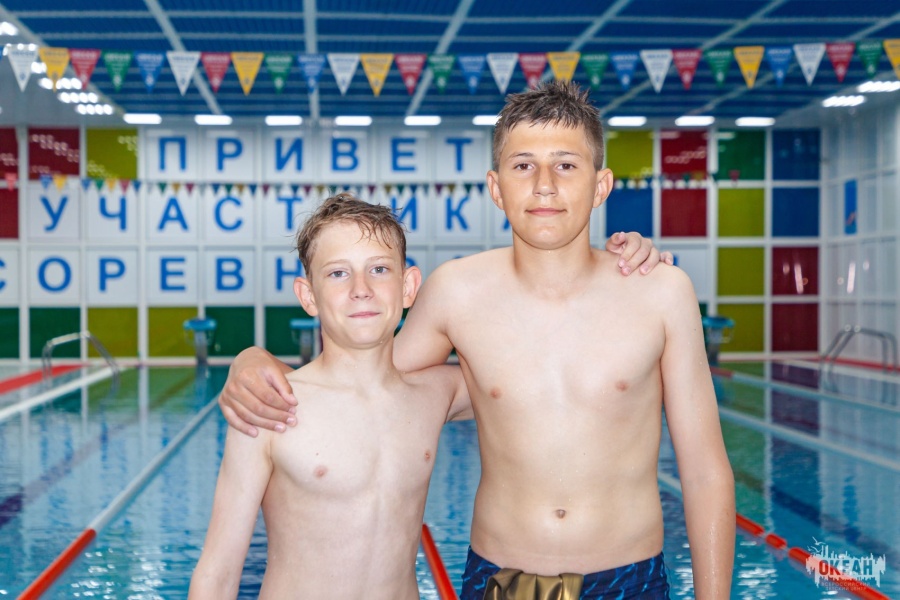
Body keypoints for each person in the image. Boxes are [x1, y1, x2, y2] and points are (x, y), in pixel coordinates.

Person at [222, 81, 735, 600]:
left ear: (601, 185)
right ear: (496, 187)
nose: (544, 186)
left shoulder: (660, 293)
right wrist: (252, 359)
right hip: (501, 579)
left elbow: (705, 473)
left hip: (628, 576)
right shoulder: (457, 292)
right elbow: (363, 382)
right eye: (523, 165)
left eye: (566, 165)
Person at [189, 195, 472, 599]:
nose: (361, 290)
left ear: (409, 287)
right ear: (308, 296)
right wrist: (246, 357)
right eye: (338, 273)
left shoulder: (435, 394)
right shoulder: (272, 407)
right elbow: (217, 574)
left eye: (379, 269)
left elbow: (527, 378)